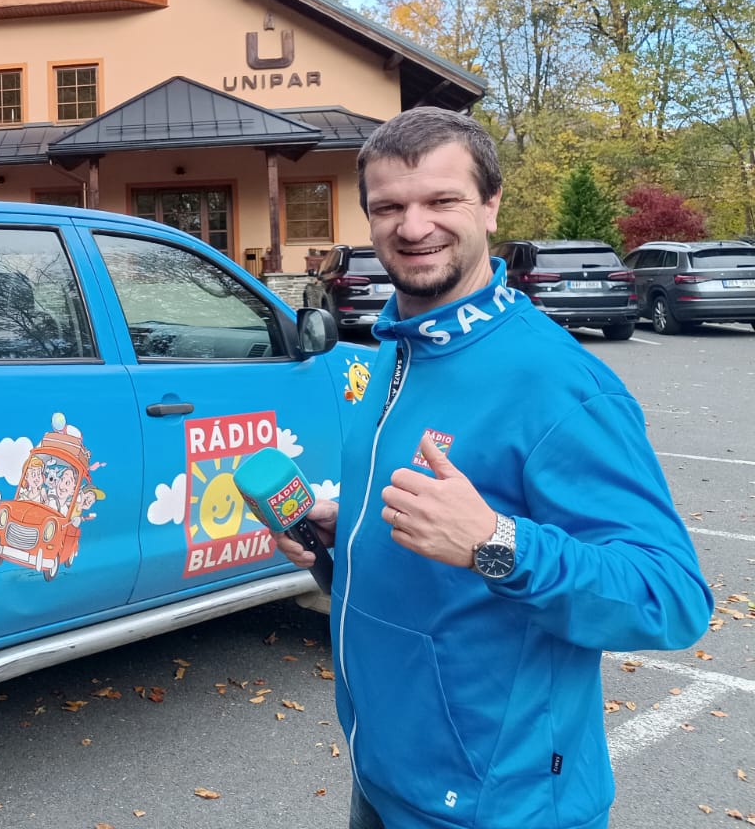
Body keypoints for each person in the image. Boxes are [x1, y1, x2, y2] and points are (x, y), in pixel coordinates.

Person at [273, 107, 711, 829]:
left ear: (490, 205)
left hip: (499, 804)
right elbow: (431, 545)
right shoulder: (396, 352)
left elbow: (670, 598)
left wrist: (495, 543)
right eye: (388, 207)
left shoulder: (558, 383)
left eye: (441, 200)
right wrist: (346, 533)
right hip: (383, 771)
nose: (413, 226)